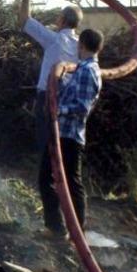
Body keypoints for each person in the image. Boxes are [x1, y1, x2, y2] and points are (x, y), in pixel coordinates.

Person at [39, 28, 103, 236]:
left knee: (68, 182)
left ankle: (71, 230)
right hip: (62, 133)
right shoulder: (83, 69)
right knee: (52, 179)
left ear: (81, 44)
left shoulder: (87, 71)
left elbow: (82, 107)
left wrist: (59, 110)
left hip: (69, 135)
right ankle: (60, 228)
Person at [19, 0, 82, 150]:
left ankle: (48, 166)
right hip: (70, 98)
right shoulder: (80, 45)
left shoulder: (54, 39)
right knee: (65, 143)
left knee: (46, 143)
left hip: (48, 96)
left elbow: (24, 20)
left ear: (62, 20)